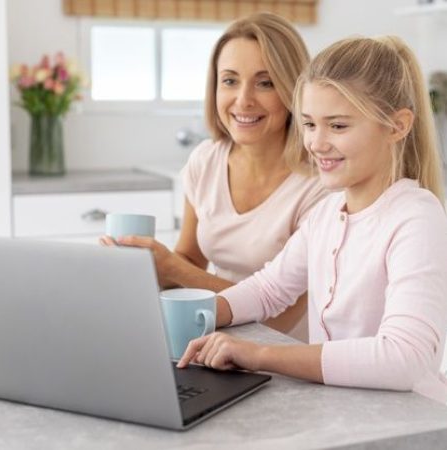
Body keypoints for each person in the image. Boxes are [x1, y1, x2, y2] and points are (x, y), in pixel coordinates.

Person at [177, 35, 447, 404]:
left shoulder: (416, 217)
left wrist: (258, 355)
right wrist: (191, 315)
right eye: (308, 124)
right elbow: (269, 289)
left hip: (410, 423)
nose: (316, 143)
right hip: (340, 412)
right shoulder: (327, 214)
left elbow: (404, 358)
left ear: (397, 126)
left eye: (337, 126)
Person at [101, 12, 325, 338]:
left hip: (287, 358)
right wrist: (142, 268)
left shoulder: (319, 186)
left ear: (294, 90)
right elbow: (190, 257)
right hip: (216, 342)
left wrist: (172, 267)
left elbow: (282, 318)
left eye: (265, 83)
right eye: (230, 80)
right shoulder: (206, 160)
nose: (243, 100)